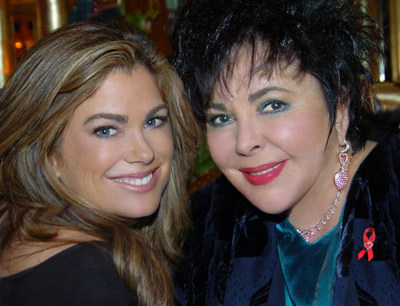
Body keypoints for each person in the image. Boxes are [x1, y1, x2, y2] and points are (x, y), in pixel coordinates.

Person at [171, 0, 400, 304]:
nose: (244, 142)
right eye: (221, 118)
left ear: (341, 101)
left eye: (273, 104)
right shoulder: (203, 231)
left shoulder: (392, 192)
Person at [0, 18, 198, 305]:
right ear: (49, 153)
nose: (144, 152)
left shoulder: (20, 236)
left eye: (154, 121)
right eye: (106, 130)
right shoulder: (91, 276)